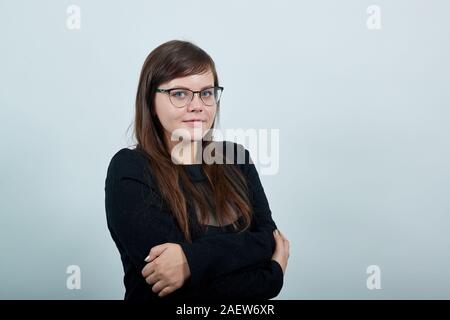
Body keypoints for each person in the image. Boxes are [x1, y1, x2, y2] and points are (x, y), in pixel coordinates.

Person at [104, 40, 290, 301]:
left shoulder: (235, 158)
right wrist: (271, 279)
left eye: (206, 92)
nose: (197, 105)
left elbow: (269, 241)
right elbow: (174, 288)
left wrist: (190, 260)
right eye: (179, 93)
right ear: (151, 101)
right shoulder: (130, 169)